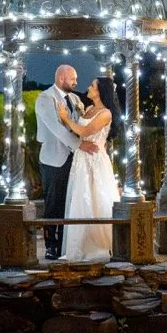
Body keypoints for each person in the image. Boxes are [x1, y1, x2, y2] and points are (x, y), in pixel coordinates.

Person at [55, 76, 123, 262]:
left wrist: (65, 119)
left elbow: (85, 132)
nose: (88, 87)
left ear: (100, 91)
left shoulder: (105, 113)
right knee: (80, 198)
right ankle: (79, 245)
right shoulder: (90, 108)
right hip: (82, 159)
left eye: (92, 85)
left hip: (95, 160)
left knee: (95, 197)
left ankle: (97, 245)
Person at [35, 65, 98, 259]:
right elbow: (57, 129)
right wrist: (80, 145)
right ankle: (51, 246)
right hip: (54, 159)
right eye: (73, 78)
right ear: (62, 77)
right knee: (53, 203)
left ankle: (65, 244)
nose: (76, 82)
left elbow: (79, 125)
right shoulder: (46, 99)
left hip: (75, 160)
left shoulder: (75, 99)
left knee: (71, 201)